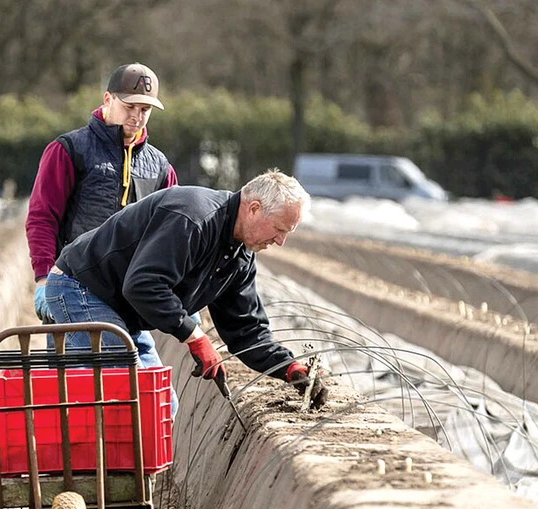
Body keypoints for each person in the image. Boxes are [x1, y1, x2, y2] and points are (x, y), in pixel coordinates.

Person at [44, 169, 330, 410]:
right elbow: (143, 284)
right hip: (81, 288)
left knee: (162, 404)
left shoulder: (239, 258)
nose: (280, 241)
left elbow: (245, 330)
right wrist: (193, 336)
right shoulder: (193, 218)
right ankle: (97, 472)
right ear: (254, 208)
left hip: (119, 308)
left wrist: (289, 368)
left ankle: (139, 475)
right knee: (128, 395)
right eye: (280, 229)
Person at [26, 62, 178, 329]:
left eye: (145, 110)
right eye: (129, 107)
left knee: (139, 368)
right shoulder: (69, 150)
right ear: (108, 99)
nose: (137, 116)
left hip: (130, 301)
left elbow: (171, 233)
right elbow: (42, 218)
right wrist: (43, 279)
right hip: (74, 290)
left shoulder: (160, 167)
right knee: (78, 371)